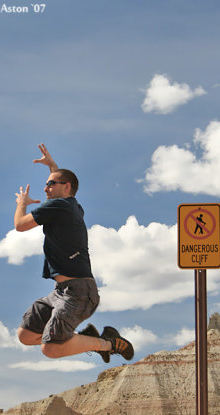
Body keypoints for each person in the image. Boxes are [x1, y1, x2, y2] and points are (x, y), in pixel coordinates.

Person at [14, 143, 133, 362]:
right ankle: (83, 338)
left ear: (66, 187)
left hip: (78, 293)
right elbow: (62, 182)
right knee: (26, 335)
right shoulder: (73, 205)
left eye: (50, 184)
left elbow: (20, 225)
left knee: (50, 349)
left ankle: (108, 343)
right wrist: (52, 166)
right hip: (60, 291)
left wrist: (21, 203)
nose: (45, 188)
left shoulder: (59, 207)